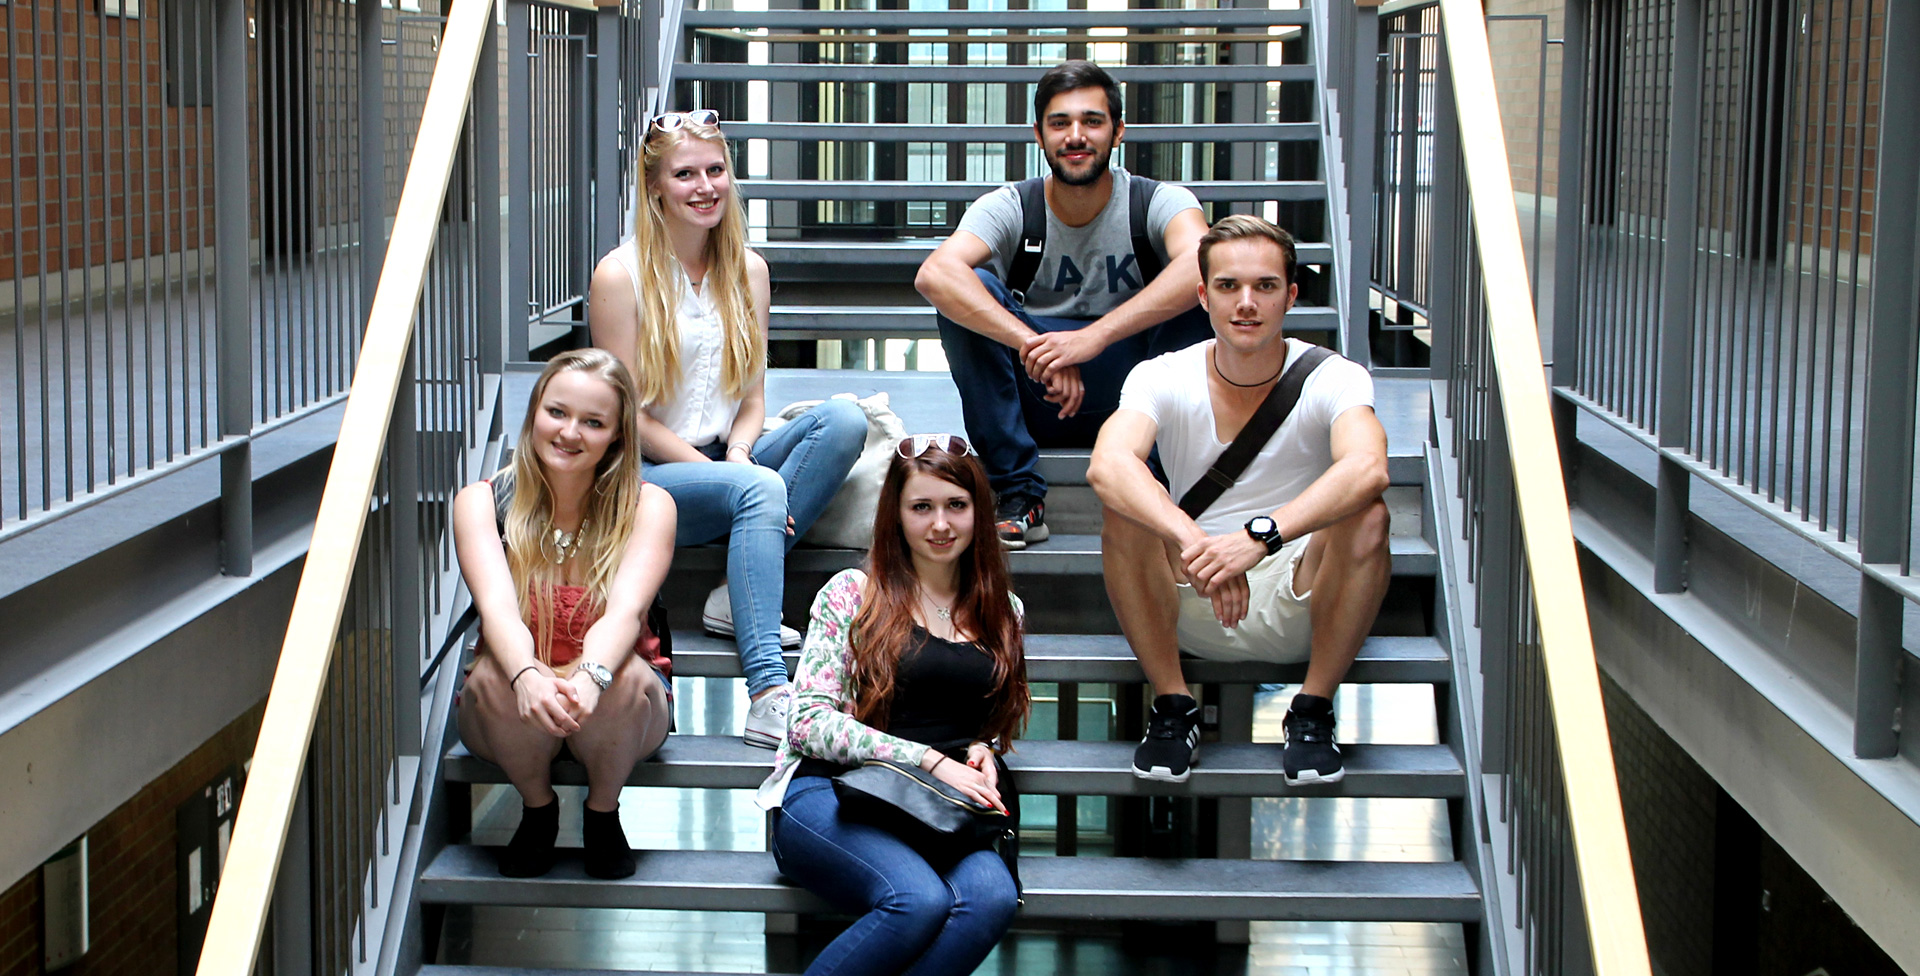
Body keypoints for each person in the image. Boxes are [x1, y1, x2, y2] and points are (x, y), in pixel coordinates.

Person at [589, 109, 866, 749]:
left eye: (715, 170)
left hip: (721, 458)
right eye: (685, 174)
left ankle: (729, 596)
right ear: (655, 185)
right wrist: (729, 475)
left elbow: (752, 394)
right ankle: (769, 693)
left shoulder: (749, 270)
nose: (705, 186)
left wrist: (740, 451)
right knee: (761, 491)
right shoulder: (620, 275)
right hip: (648, 477)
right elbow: (624, 415)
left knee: (844, 420)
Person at [1088, 215, 1392, 786]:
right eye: (1228, 286)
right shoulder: (1161, 375)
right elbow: (1107, 464)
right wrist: (1196, 540)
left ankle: (1312, 709)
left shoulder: (1334, 376)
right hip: (1186, 591)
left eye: (1265, 286)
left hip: (1301, 594)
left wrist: (1257, 538)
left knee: (1367, 514)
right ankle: (1174, 706)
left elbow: (1368, 467)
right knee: (1125, 507)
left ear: (1291, 296)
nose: (1246, 303)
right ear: (1203, 296)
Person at [757, 435, 1029, 976]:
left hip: (940, 806)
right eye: (921, 507)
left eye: (956, 505)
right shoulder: (852, 593)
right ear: (896, 515)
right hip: (832, 790)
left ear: (978, 511)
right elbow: (807, 723)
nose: (940, 524)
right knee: (917, 900)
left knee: (990, 899)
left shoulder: (1004, 609)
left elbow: (987, 714)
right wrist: (928, 758)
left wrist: (981, 747)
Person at [915, 60, 1212, 550]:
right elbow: (935, 274)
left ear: (1118, 132)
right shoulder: (1012, 205)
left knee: (1202, 289)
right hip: (1040, 394)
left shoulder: (1158, 201)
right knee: (968, 286)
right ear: (1039, 134)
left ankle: (1155, 482)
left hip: (1138, 400)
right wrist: (1039, 347)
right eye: (1060, 123)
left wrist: (1091, 339)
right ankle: (1017, 491)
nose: (1076, 136)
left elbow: (1204, 263)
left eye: (1092, 121)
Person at [454, 348, 677, 880]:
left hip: (619, 704)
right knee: (491, 679)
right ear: (534, 413)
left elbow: (625, 613)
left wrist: (591, 677)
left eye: (593, 422)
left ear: (617, 436)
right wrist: (528, 675)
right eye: (557, 412)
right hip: (511, 704)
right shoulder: (481, 503)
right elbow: (498, 611)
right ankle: (538, 808)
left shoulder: (650, 506)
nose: (570, 433)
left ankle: (603, 810)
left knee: (622, 679)